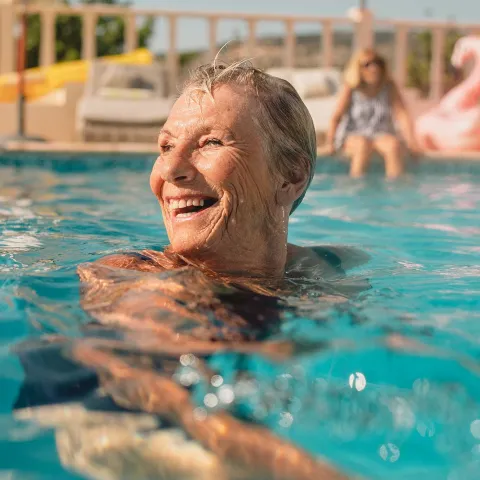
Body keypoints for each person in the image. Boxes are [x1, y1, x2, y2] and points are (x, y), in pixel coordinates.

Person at [13, 61, 371, 480]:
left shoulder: (322, 270)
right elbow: (158, 394)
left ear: (291, 175)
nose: (170, 169)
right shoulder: (140, 279)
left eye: (211, 142)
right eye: (165, 147)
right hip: (108, 430)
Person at [326, 48, 422, 178]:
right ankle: (356, 187)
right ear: (358, 68)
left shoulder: (389, 86)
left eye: (378, 63)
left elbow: (402, 114)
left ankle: (396, 191)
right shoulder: (351, 88)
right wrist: (330, 143)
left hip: (381, 134)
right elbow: (336, 117)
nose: (374, 68)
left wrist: (412, 142)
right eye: (367, 64)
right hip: (354, 136)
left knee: (393, 146)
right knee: (362, 145)